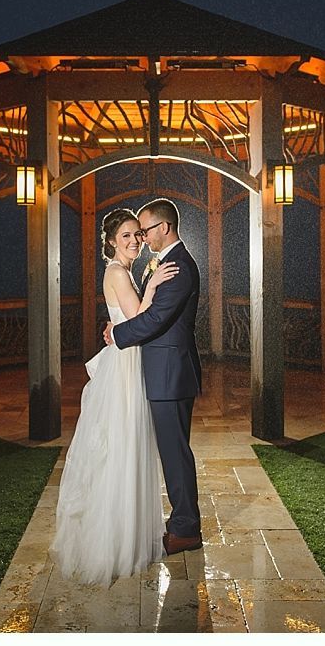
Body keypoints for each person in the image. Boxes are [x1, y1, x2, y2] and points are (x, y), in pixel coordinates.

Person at [49, 208, 180, 586]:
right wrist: (154, 284)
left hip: (127, 360)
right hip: (124, 367)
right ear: (111, 242)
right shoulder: (118, 272)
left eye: (138, 235)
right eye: (126, 236)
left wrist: (133, 301)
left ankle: (129, 532)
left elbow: (124, 317)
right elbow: (138, 315)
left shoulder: (125, 272)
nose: (135, 241)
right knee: (123, 445)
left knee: (130, 444)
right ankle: (115, 541)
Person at [105, 198, 203, 556]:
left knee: (175, 453)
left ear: (164, 228)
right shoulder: (165, 262)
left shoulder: (178, 267)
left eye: (145, 230)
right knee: (172, 451)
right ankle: (183, 523)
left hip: (170, 373)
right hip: (163, 371)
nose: (142, 238)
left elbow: (156, 319)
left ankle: (185, 530)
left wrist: (118, 335)